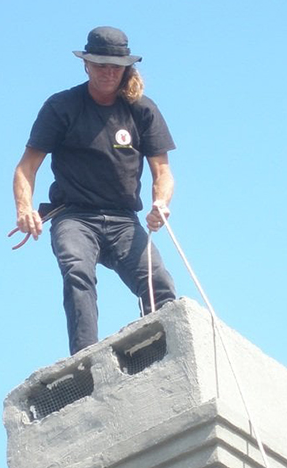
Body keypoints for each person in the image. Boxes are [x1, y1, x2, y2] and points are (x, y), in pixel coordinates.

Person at [13, 26, 177, 355]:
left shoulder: (141, 110)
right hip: (74, 216)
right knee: (77, 272)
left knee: (158, 282)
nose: (107, 72)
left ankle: (163, 351)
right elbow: (26, 167)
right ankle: (86, 360)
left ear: (126, 68)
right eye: (100, 65)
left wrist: (161, 202)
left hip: (123, 219)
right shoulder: (62, 107)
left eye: (114, 66)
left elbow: (163, 170)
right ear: (86, 64)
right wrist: (24, 208)